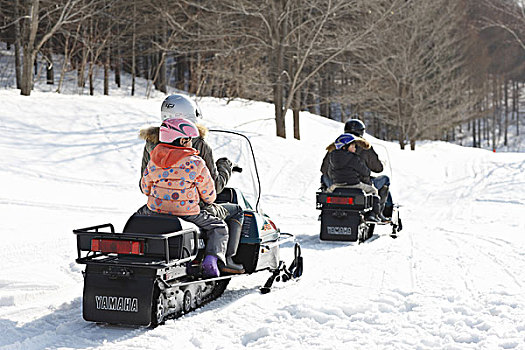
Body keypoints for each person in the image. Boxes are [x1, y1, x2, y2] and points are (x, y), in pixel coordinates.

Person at [139, 94, 245, 273]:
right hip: (192, 210)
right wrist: (225, 166)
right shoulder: (196, 149)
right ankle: (224, 259)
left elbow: (144, 185)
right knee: (235, 212)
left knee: (140, 217)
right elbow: (214, 190)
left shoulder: (153, 146)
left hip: (157, 208)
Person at [320, 118, 392, 220]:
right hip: (359, 184)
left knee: (323, 178)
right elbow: (378, 168)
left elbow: (324, 169)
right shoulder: (365, 146)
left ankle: (326, 208)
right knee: (385, 180)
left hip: (336, 183)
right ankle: (376, 212)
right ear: (362, 132)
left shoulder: (336, 146)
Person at [327, 133, 382, 222]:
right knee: (373, 191)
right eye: (352, 146)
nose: (355, 148)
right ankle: (372, 215)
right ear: (344, 147)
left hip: (337, 185)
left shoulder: (332, 157)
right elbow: (365, 172)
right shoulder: (353, 158)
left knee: (328, 193)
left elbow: (330, 173)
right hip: (354, 185)